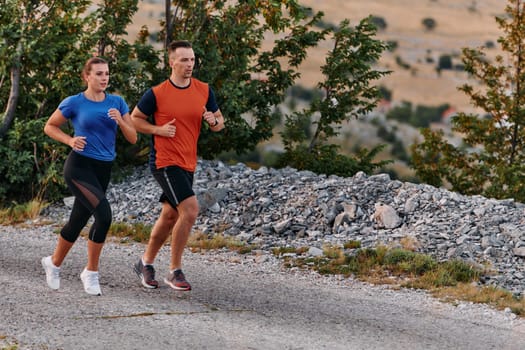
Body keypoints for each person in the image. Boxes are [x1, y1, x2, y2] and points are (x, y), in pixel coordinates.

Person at [131, 40, 225, 291]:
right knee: (191, 210)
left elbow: (220, 124)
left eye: (192, 60)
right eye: (184, 60)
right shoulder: (157, 93)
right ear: (171, 62)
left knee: (171, 214)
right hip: (164, 161)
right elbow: (134, 119)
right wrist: (158, 129)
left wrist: (212, 120)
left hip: (188, 162)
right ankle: (175, 271)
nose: (189, 64)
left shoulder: (204, 90)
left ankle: (145, 263)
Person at [41, 57, 137, 296]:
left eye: (106, 74)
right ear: (87, 76)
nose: (104, 78)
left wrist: (121, 122)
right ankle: (91, 272)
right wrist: (70, 140)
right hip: (78, 167)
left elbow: (133, 137)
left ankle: (53, 263)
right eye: (99, 74)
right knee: (104, 216)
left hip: (103, 169)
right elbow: (50, 126)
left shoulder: (117, 102)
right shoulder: (75, 102)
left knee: (77, 221)